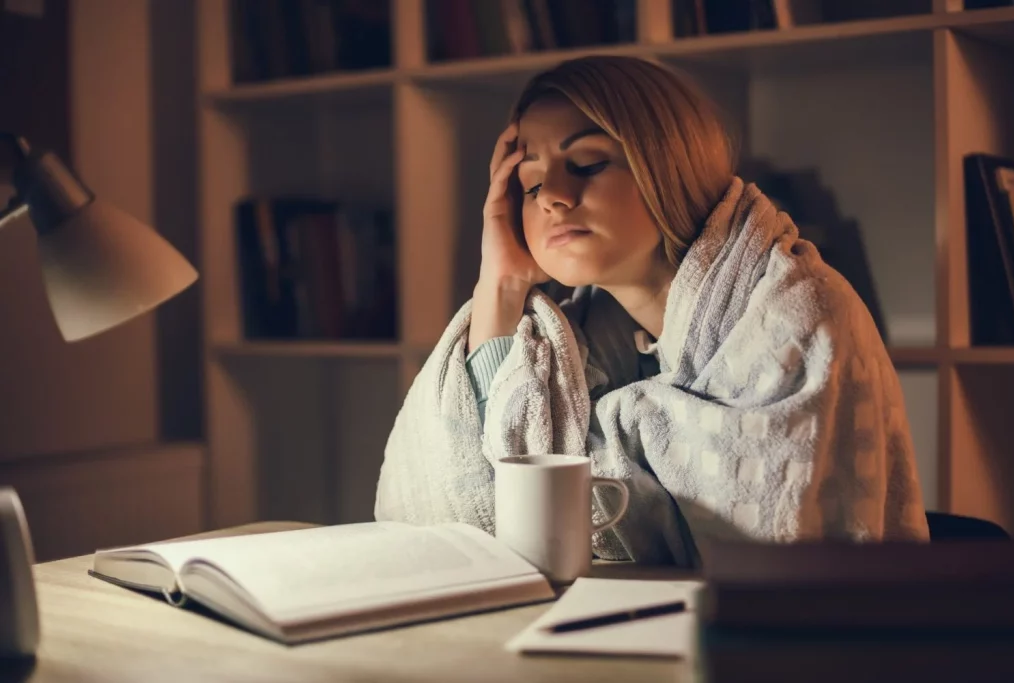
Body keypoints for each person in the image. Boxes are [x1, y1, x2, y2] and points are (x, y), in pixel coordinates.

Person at [375, 55, 929, 566]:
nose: (552, 196)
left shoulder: (799, 312)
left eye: (588, 163)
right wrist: (500, 281)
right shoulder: (587, 338)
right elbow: (465, 494)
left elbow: (774, 536)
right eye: (531, 181)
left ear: (667, 168)